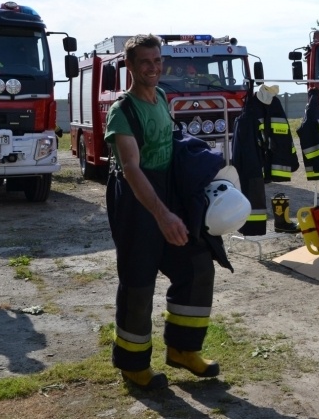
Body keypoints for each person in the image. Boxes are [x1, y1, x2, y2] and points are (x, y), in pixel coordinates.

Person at [104, 34, 223, 391]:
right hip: (137, 201)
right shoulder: (121, 111)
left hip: (168, 191)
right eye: (145, 62)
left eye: (158, 61)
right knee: (138, 282)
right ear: (130, 65)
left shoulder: (161, 97)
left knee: (197, 265)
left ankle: (182, 349)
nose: (154, 68)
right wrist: (163, 215)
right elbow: (131, 168)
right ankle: (133, 364)